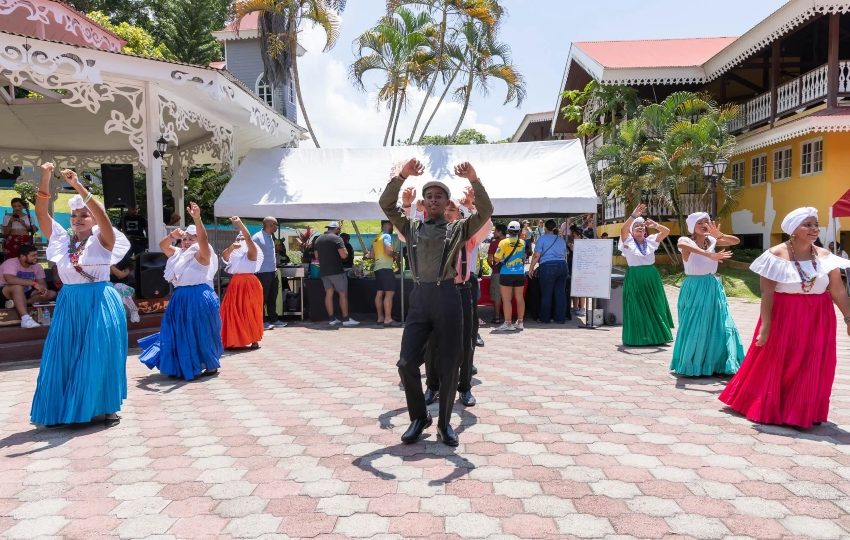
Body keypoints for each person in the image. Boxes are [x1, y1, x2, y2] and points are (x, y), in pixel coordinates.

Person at [380, 158, 493, 447]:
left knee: (449, 364)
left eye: (438, 196)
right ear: (423, 202)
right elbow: (386, 203)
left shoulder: (459, 229)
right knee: (406, 363)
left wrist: (474, 179)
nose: (433, 200)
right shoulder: (412, 227)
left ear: (445, 203)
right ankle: (420, 417)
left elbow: (487, 212)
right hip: (420, 297)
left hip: (448, 296)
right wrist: (403, 176)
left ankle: (444, 424)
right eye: (428, 196)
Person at [719, 207, 850, 428]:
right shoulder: (775, 255)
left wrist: (848, 317)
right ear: (793, 230)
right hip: (785, 315)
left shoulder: (827, 258)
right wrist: (766, 325)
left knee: (812, 362)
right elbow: (767, 292)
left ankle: (801, 410)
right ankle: (769, 404)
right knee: (781, 361)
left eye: (815, 224)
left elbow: (837, 291)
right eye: (807, 224)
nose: (814, 229)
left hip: (819, 317)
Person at [30, 163, 130, 427]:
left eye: (84, 215)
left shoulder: (104, 239)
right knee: (63, 352)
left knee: (100, 353)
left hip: (99, 299)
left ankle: (106, 406)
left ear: (94, 218)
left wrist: (78, 186)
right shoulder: (62, 240)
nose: (78, 219)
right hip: (70, 302)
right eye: (74, 215)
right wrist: (45, 177)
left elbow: (103, 218)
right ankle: (64, 406)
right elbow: (41, 214)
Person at [139, 202, 222, 380]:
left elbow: (204, 240)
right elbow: (163, 246)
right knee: (177, 330)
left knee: (199, 331)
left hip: (199, 296)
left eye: (190, 239)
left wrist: (197, 218)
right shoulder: (178, 255)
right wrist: (172, 235)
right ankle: (181, 364)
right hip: (180, 297)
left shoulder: (201, 255)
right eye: (184, 239)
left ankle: (208, 363)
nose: (186, 242)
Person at [670, 212, 744, 377]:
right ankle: (693, 363)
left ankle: (718, 363)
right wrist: (709, 254)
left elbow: (736, 241)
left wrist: (720, 235)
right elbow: (683, 245)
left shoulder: (712, 240)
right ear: (693, 228)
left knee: (718, 323)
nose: (705, 224)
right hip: (694, 287)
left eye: (707, 221)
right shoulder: (686, 240)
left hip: (713, 286)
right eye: (700, 223)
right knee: (695, 324)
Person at [618, 205, 674, 346]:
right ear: (632, 229)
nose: (640, 227)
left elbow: (666, 231)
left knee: (655, 304)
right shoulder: (628, 241)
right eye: (636, 226)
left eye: (642, 226)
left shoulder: (651, 241)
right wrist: (633, 216)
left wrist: (655, 225)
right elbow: (623, 230)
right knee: (637, 305)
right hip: (635, 276)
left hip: (651, 276)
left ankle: (658, 336)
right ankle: (638, 337)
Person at [220, 217, 264, 349]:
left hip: (249, 283)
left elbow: (249, 239)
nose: (241, 241)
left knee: (249, 311)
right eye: (238, 239)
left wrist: (240, 225)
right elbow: (224, 256)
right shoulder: (234, 251)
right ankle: (233, 339)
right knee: (231, 311)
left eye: (242, 239)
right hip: (235, 283)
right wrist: (232, 247)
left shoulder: (252, 251)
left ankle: (253, 338)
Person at [0, 244, 56, 328]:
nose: (36, 257)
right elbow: (10, 280)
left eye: (36, 255)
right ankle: (25, 319)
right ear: (22, 256)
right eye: (33, 255)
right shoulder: (11, 263)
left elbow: (43, 285)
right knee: (17, 287)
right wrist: (34, 284)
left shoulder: (37, 266)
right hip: (5, 291)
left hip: (25, 293)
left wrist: (41, 290)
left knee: (52, 293)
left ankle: (18, 303)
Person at [315, 222, 359, 326]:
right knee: (342, 293)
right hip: (336, 271)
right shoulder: (337, 239)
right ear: (336, 229)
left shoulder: (318, 239)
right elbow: (344, 255)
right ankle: (346, 319)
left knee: (329, 294)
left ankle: (332, 319)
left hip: (324, 271)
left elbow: (317, 257)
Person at [528, 219, 568, 324]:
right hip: (562, 266)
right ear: (555, 228)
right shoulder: (561, 240)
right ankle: (560, 318)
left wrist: (531, 268)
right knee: (560, 293)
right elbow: (564, 254)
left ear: (545, 228)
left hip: (547, 266)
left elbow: (536, 255)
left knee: (547, 293)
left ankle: (545, 318)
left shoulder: (542, 239)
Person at [253, 217, 286, 330]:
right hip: (262, 273)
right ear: (271, 224)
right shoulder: (257, 237)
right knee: (262, 298)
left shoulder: (270, 237)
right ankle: (261, 321)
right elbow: (252, 254)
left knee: (273, 297)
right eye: (276, 224)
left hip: (273, 271)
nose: (277, 226)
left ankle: (274, 319)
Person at [493, 221, 526, 332]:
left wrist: (502, 259)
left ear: (508, 230)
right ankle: (520, 322)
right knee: (520, 298)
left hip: (506, 273)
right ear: (518, 231)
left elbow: (496, 259)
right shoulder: (522, 242)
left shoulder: (503, 242)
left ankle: (508, 323)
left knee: (507, 300)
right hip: (520, 272)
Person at [369, 220, 398, 326]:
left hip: (378, 268)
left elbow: (371, 255)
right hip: (386, 268)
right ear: (388, 224)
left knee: (380, 293)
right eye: (392, 225)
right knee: (389, 293)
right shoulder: (386, 236)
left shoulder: (376, 238)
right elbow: (388, 251)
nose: (393, 227)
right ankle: (388, 319)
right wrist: (396, 255)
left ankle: (380, 317)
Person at [109, 249, 140, 324]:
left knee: (119, 286)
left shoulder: (125, 260)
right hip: (110, 288)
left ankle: (133, 310)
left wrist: (110, 265)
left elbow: (120, 275)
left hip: (126, 287)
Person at [487, 223, 507, 324]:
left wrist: (493, 267)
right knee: (507, 296)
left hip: (497, 272)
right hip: (509, 273)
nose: (494, 232)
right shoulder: (511, 242)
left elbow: (489, 260)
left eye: (495, 231)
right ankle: (507, 318)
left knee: (497, 296)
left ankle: (497, 317)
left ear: (500, 232)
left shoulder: (494, 243)